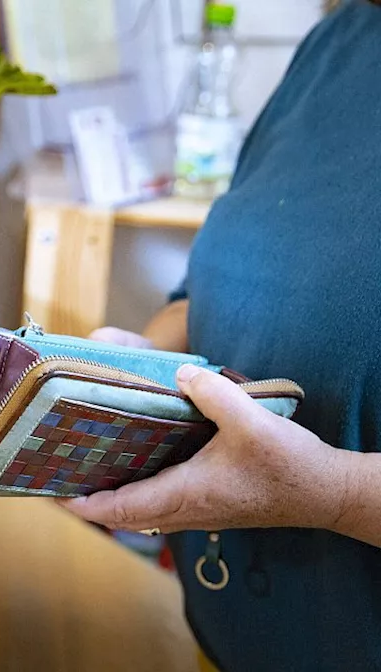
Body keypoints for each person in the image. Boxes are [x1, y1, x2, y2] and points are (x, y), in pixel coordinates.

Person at [61, 2, 381, 670]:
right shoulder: (341, 40)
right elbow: (207, 284)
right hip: (220, 637)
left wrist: (338, 493)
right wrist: (142, 363)